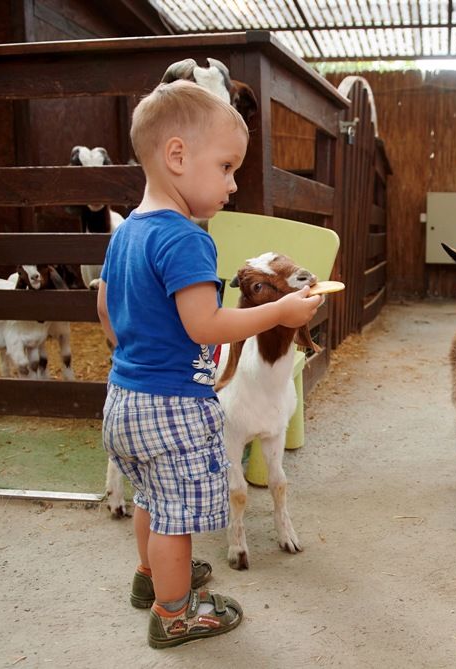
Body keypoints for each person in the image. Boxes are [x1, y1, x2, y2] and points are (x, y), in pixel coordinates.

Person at [96, 80, 323, 649]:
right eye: (225, 167)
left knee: (148, 494)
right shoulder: (186, 239)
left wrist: (127, 349)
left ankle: (150, 578)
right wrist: (280, 314)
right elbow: (207, 325)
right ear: (177, 157)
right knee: (174, 516)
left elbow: (104, 302)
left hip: (123, 397)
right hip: (171, 407)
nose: (233, 182)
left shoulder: (126, 233)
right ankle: (175, 613)